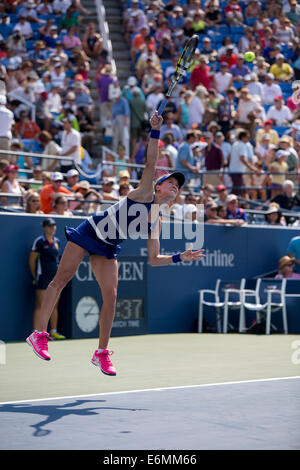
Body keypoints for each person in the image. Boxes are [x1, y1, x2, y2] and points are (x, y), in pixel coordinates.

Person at [26, 112, 205, 374]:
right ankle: (39, 335)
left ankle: (101, 353)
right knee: (61, 279)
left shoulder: (156, 219)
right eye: (171, 183)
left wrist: (180, 256)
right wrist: (155, 130)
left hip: (108, 247)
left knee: (111, 297)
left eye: (179, 186)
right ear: (157, 187)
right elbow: (151, 162)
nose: (176, 187)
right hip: (90, 232)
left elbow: (154, 260)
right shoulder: (144, 193)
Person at [29, 218, 66, 339]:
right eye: (50, 226)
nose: (53, 228)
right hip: (42, 277)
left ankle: (53, 331)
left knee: (54, 305)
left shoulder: (57, 241)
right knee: (41, 305)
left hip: (55, 278)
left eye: (54, 225)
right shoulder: (39, 241)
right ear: (44, 228)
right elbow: (32, 260)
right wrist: (36, 276)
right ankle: (35, 333)